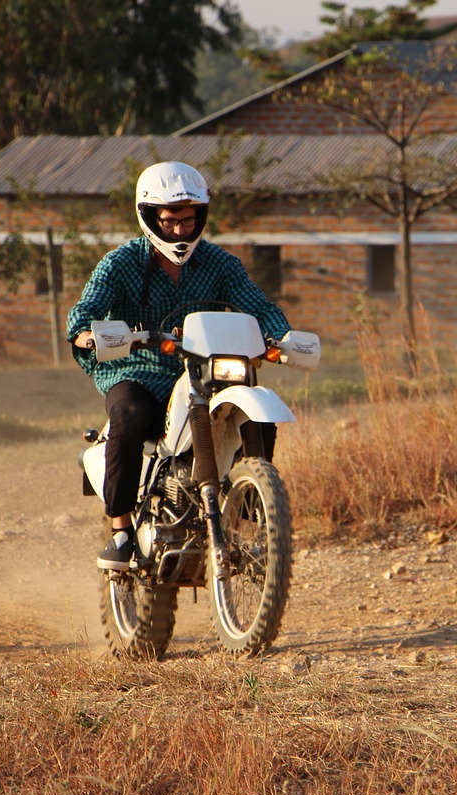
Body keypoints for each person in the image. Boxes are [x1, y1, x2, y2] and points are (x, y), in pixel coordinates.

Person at [67, 161, 291, 571]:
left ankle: (247, 514)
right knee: (129, 415)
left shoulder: (220, 264)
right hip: (138, 369)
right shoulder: (121, 263)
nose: (180, 231)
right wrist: (87, 334)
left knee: (257, 416)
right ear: (150, 216)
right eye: (170, 222)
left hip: (206, 371)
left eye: (188, 221)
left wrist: (283, 336)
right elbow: (83, 314)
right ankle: (120, 533)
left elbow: (257, 305)